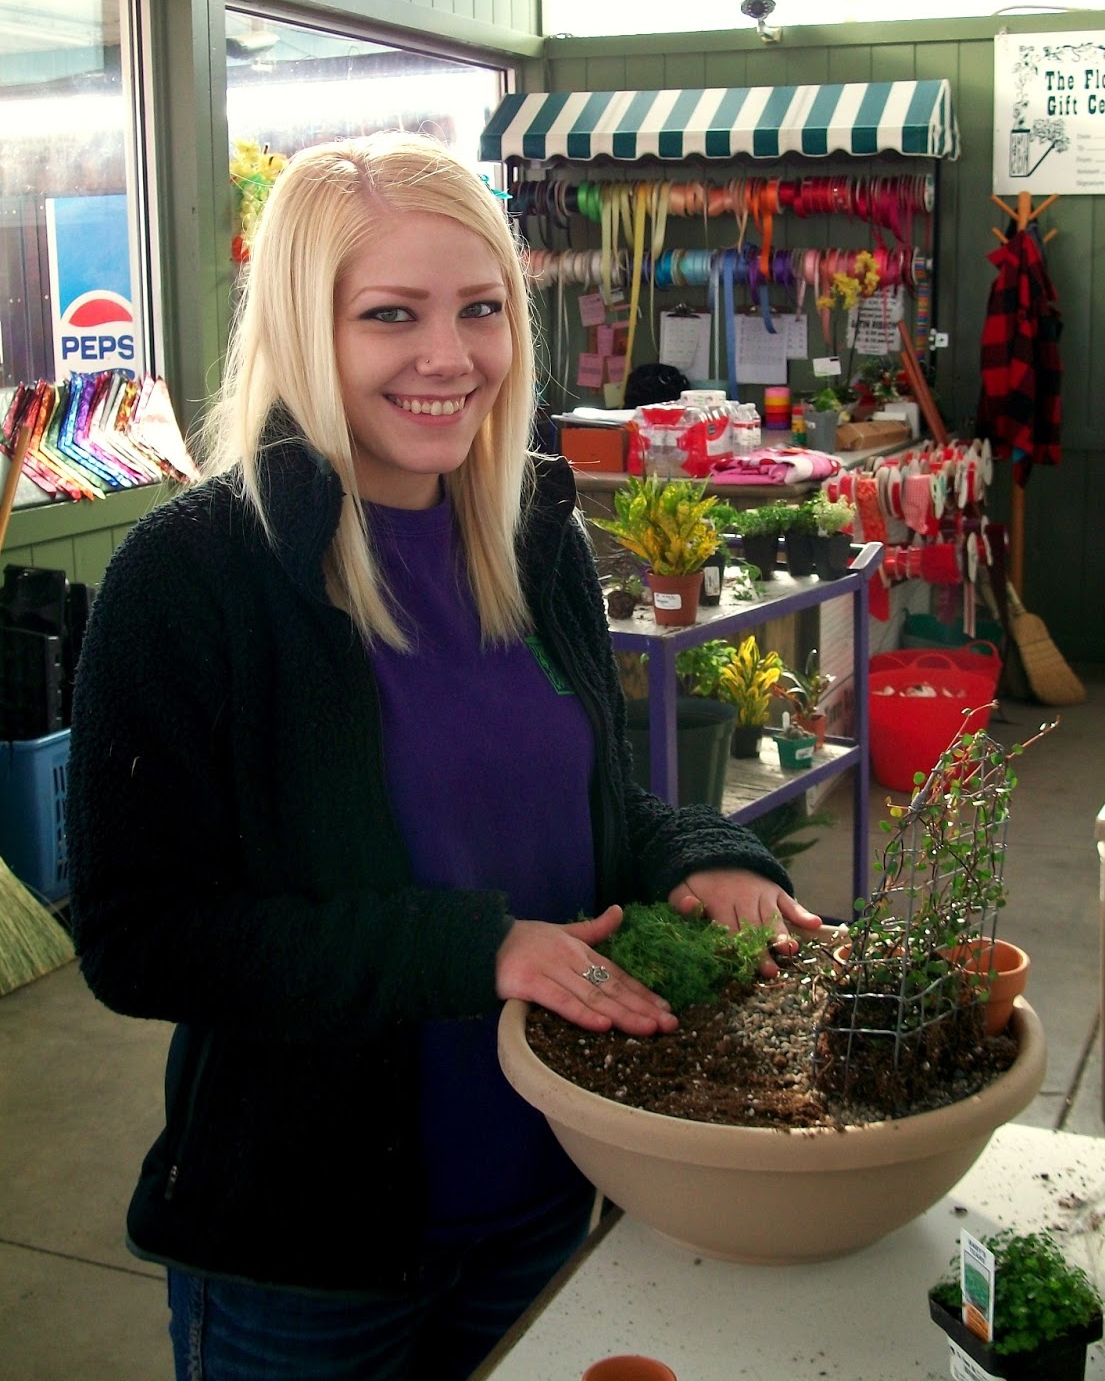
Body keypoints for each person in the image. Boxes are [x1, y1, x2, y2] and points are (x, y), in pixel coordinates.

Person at [66, 131, 820, 1381]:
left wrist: (707, 853)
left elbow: (591, 806)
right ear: (307, 328)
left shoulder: (529, 530)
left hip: (545, 1193)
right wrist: (476, 948)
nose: (448, 357)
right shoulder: (193, 577)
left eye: (479, 308)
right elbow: (140, 935)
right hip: (307, 1256)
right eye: (389, 315)